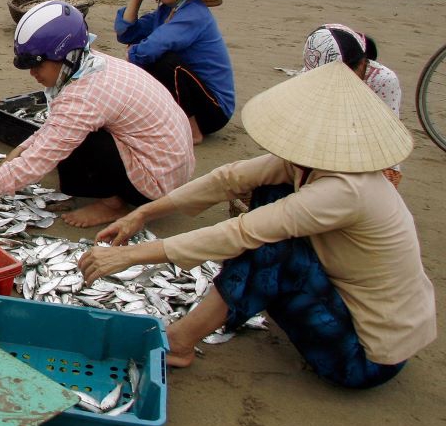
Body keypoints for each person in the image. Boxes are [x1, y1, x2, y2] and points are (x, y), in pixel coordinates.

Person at [78, 63, 435, 389]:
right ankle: (238, 300)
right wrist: (143, 214)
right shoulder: (315, 162)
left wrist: (130, 256)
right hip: (343, 300)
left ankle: (180, 342)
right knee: (271, 192)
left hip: (365, 354)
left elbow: (242, 232)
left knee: (269, 245)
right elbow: (228, 179)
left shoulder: (346, 189)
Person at [0, 0, 194, 228]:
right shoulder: (90, 62)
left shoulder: (83, 96)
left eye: (38, 64)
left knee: (77, 140)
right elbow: (55, 126)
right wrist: (20, 150)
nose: (33, 73)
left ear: (67, 56)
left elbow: (38, 163)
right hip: (169, 163)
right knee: (66, 134)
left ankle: (114, 204)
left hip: (156, 182)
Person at [115, 0, 234, 144]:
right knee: (143, 51)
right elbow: (126, 32)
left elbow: (151, 48)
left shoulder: (194, 13)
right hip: (191, 97)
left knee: (163, 61)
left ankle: (192, 131)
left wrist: (131, 55)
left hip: (213, 109)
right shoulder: (166, 11)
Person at [301, 23, 402, 186]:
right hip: (322, 152)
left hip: (372, 161)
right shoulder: (311, 73)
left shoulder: (383, 80)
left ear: (362, 64)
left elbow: (387, 141)